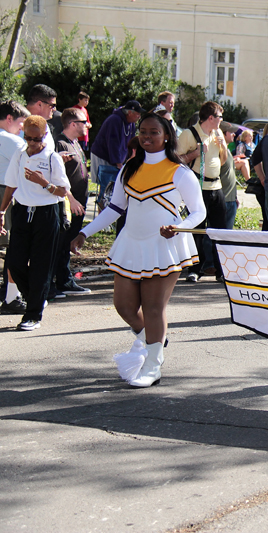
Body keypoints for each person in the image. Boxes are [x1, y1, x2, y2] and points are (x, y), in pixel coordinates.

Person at [71, 113, 206, 387]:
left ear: (166, 136)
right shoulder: (129, 168)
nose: (147, 136)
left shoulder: (180, 172)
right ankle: (153, 337)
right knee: (123, 306)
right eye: (143, 131)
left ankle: (153, 366)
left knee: (154, 308)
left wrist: (178, 227)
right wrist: (85, 232)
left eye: (154, 132)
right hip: (131, 243)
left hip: (164, 245)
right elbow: (115, 208)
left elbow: (198, 212)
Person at [0, 115, 69, 330]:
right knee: (15, 263)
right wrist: (1, 211)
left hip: (46, 214)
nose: (32, 143)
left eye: (36, 139)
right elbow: (11, 184)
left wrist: (44, 183)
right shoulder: (20, 155)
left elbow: (62, 191)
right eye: (28, 138)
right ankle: (36, 300)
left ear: (45, 136)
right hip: (22, 211)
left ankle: (32, 316)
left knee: (41, 265)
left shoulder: (52, 158)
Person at [177, 101, 228, 282]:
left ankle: (221, 271)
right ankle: (195, 270)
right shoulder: (189, 134)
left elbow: (222, 161)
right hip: (198, 187)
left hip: (216, 186)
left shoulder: (218, 133)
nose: (222, 120)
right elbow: (176, 160)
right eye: (220, 117)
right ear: (211, 118)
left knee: (219, 230)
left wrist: (223, 147)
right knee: (198, 230)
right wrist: (195, 153)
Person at [53, 107, 91, 295]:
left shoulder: (75, 143)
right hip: (68, 203)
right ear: (73, 124)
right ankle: (61, 282)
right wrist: (71, 199)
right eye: (84, 122)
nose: (88, 125)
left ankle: (64, 280)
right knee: (60, 243)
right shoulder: (60, 144)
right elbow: (57, 177)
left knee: (67, 243)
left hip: (79, 202)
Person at [0, 101, 28, 314]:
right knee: (12, 246)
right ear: (9, 118)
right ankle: (11, 296)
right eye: (21, 123)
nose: (22, 128)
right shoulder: (11, 141)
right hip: (6, 192)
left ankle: (11, 296)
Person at [91, 100, 145, 204]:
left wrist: (130, 159)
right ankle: (103, 209)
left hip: (116, 157)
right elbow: (113, 143)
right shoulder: (114, 120)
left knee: (114, 187)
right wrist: (118, 163)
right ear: (130, 112)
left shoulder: (131, 124)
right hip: (103, 156)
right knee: (106, 188)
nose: (139, 116)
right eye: (137, 113)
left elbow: (131, 144)